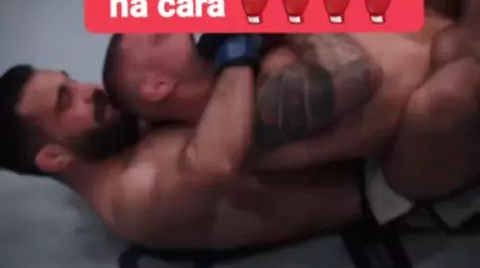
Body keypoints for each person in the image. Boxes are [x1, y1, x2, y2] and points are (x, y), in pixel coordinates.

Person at [102, 0, 480, 199]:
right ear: (157, 85)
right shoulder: (242, 118)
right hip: (430, 127)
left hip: (427, 30)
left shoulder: (245, 60)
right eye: (162, 30)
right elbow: (359, 74)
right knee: (452, 87)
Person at [0, 37, 361, 248]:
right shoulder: (133, 197)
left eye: (72, 81)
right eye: (66, 101)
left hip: (342, 124)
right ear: (53, 156)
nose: (90, 89)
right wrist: (235, 48)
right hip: (364, 172)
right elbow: (214, 164)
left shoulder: (119, 141)